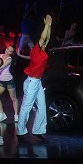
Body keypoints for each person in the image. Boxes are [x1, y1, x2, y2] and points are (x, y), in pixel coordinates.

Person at [17, 13, 52, 142]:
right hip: (32, 81)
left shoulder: (42, 51)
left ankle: (38, 130)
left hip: (38, 82)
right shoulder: (36, 50)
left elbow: (47, 38)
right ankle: (20, 132)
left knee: (42, 107)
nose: (45, 43)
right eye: (43, 43)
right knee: (26, 107)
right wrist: (46, 25)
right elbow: (43, 37)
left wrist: (49, 26)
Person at [0, 44, 20, 124]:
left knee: (13, 98)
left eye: (10, 51)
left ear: (12, 53)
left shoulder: (9, 59)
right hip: (0, 81)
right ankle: (2, 114)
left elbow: (1, 67)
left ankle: (16, 115)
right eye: (7, 49)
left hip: (9, 80)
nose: (7, 51)